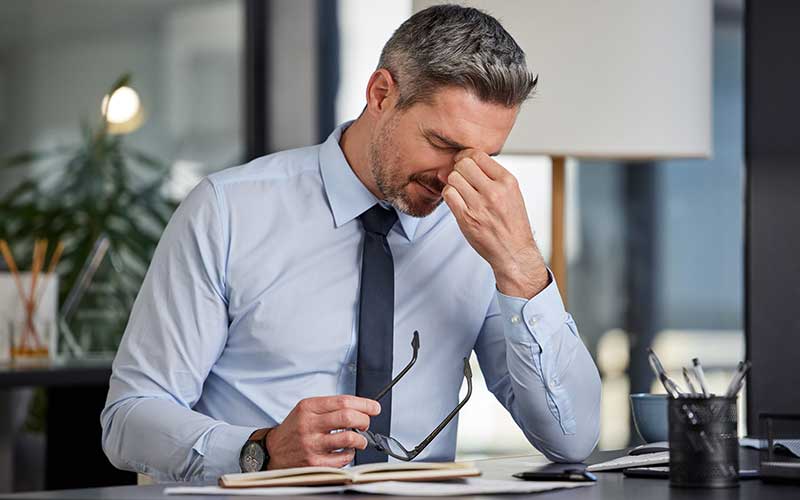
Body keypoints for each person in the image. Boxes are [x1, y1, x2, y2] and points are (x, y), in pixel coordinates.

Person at [101, 4, 601, 481]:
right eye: (443, 145)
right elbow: (129, 420)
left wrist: (521, 266)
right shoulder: (227, 211)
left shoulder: (483, 235)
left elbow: (571, 440)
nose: (455, 178)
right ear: (381, 94)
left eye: (483, 157)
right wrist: (261, 448)